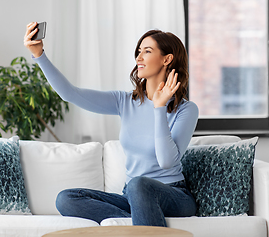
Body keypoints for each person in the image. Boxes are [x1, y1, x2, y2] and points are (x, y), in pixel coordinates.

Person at [24, 22, 199, 227]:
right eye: (138, 51)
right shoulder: (124, 101)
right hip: (133, 196)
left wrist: (159, 108)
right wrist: (39, 55)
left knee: (138, 184)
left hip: (174, 196)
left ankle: (138, 224)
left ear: (167, 59)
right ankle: (138, 223)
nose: (138, 58)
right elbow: (70, 94)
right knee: (67, 198)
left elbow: (166, 162)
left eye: (147, 51)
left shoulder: (186, 109)